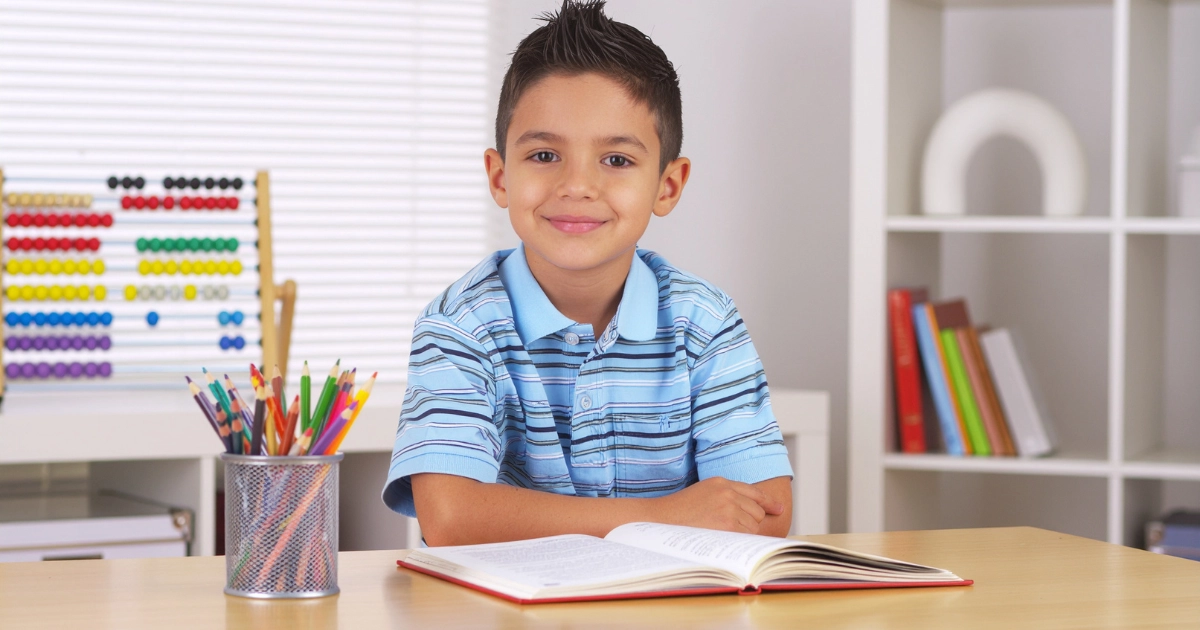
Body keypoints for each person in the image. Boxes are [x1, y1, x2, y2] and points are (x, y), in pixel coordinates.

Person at [382, 0, 793, 546]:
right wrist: (667, 514)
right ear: (500, 177)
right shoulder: (460, 324)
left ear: (667, 186)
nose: (577, 186)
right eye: (545, 155)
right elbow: (452, 518)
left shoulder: (704, 321)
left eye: (617, 160)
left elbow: (766, 511)